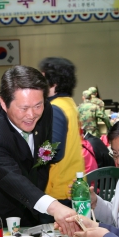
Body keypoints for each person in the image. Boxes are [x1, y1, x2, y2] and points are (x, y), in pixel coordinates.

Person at [0, 65, 78, 232]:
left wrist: (38, 200)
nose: (32, 114)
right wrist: (54, 206)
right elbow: (11, 178)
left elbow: (43, 158)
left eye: (37, 105)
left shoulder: (46, 110)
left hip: (31, 211)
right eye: (24, 108)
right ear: (4, 103)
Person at [38, 57, 85, 209]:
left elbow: (54, 150)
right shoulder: (69, 103)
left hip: (57, 189)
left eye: (42, 77)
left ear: (54, 81)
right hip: (72, 184)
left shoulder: (54, 107)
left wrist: (33, 157)